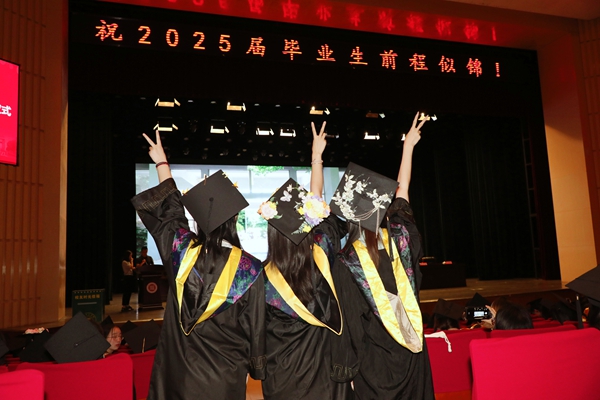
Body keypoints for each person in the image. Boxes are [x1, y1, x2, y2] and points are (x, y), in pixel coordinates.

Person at [131, 131, 265, 400]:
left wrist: (162, 164)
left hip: (181, 378)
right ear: (234, 221)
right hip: (225, 379)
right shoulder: (250, 269)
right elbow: (256, 326)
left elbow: (171, 216)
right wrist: (257, 366)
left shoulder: (182, 253)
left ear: (200, 222)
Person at [333, 112, 434, 399]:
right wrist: (408, 147)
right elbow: (403, 193)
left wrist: (349, 373)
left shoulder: (347, 263)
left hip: (375, 368)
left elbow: (352, 328)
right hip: (413, 358)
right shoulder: (402, 239)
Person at [258, 122, 354, 400]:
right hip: (324, 376)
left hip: (282, 379)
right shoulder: (320, 258)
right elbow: (318, 208)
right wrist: (316, 158)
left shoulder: (262, 279)